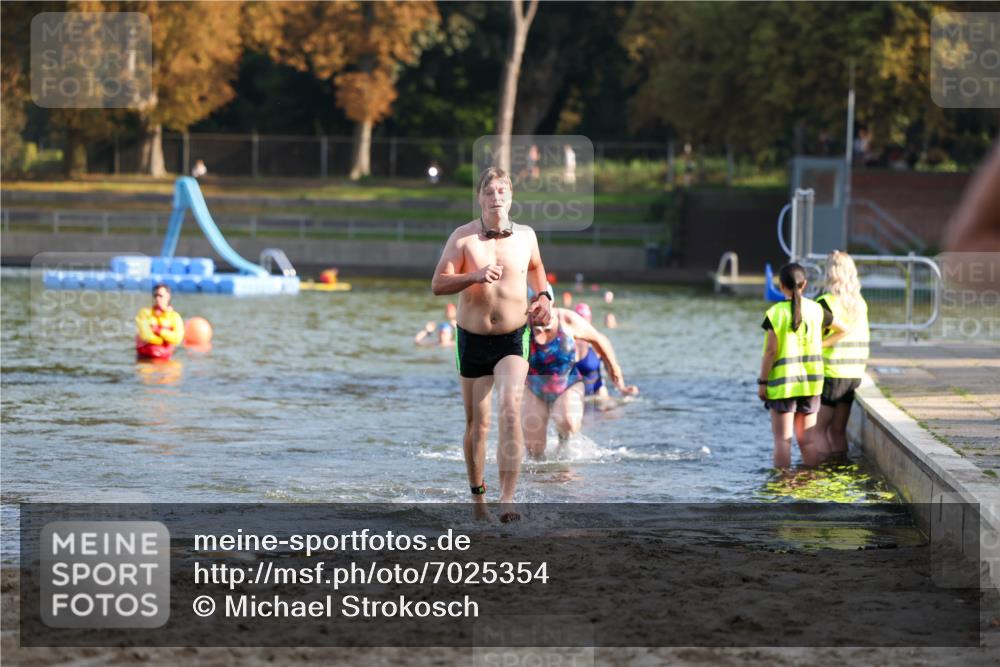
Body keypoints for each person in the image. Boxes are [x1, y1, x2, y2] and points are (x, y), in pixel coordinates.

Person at [431, 167, 553, 521]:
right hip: (471, 339)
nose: (496, 197)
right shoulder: (463, 238)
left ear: (510, 197)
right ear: (480, 198)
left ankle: (507, 499)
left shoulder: (527, 236)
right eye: (489, 191)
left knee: (511, 408)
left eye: (502, 191)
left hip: (513, 337)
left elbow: (537, 267)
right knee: (478, 424)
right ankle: (478, 500)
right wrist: (475, 275)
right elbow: (438, 284)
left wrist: (544, 296)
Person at [758, 263, 847, 469]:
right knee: (808, 441)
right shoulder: (816, 310)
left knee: (783, 441)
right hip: (811, 385)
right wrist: (821, 344)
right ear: (804, 284)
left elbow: (770, 352)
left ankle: (782, 483)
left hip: (783, 386)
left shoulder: (775, 313)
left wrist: (762, 382)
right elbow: (843, 329)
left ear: (781, 286)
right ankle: (811, 480)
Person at [523, 306, 636, 460]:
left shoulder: (581, 330)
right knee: (534, 445)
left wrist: (621, 386)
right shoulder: (531, 326)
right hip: (547, 387)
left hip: (587, 391)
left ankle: (565, 442)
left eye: (585, 318)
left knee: (576, 420)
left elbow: (607, 357)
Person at [814, 252, 870, 461]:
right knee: (838, 431)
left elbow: (816, 337)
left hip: (832, 373)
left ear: (829, 273)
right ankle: (840, 469)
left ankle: (820, 471)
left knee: (818, 431)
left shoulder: (826, 303)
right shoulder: (860, 303)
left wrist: (816, 347)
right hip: (853, 374)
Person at [573, 302, 639, 401]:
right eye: (579, 319)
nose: (582, 323)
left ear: (590, 320)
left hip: (597, 395)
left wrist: (622, 388)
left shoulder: (600, 340)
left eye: (585, 319)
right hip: (573, 396)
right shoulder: (564, 342)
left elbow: (611, 367)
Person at [135, 283, 185, 360]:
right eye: (155, 296)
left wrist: (159, 331)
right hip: (145, 359)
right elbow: (146, 336)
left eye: (160, 296)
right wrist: (165, 340)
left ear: (168, 296)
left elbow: (177, 338)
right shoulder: (144, 313)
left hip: (165, 360)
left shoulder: (175, 317)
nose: (157, 299)